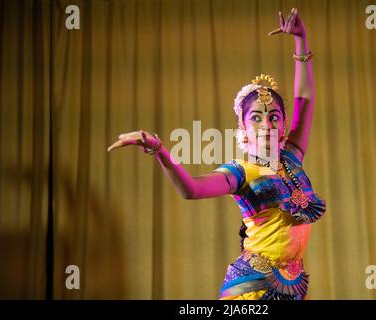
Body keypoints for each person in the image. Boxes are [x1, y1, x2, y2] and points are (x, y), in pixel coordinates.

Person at [107, 7, 326, 300]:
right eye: (256, 118)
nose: (267, 124)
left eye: (274, 116)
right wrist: (161, 151)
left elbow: (305, 99)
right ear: (243, 128)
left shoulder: (292, 156)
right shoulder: (241, 171)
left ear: (284, 124)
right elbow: (192, 189)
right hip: (254, 287)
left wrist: (301, 39)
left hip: (293, 282)